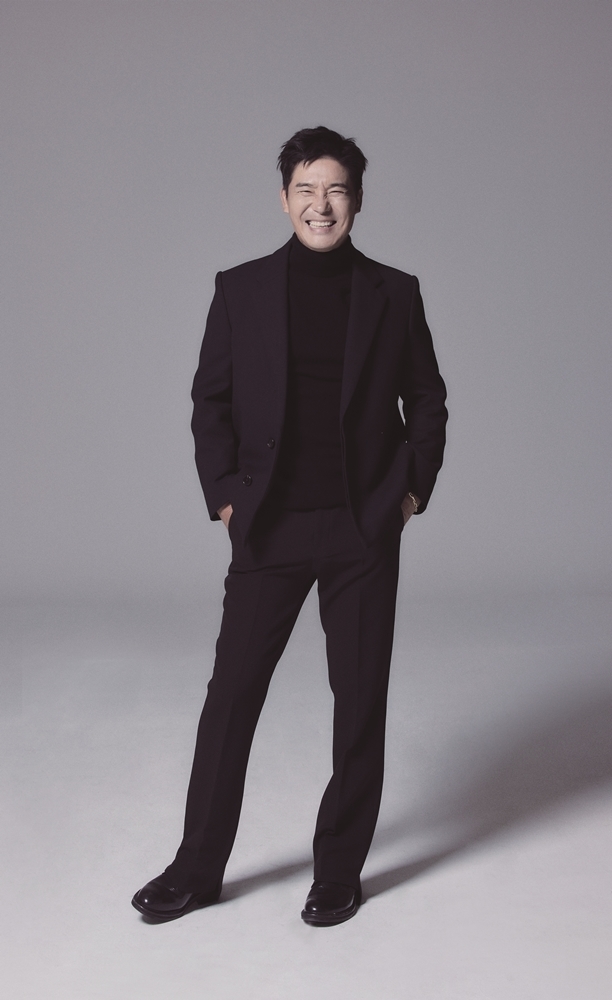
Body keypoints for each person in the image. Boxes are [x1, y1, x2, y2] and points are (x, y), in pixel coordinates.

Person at [132, 126, 447, 926]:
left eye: (336, 189)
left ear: (357, 200)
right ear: (284, 199)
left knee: (359, 703)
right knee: (231, 698)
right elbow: (210, 401)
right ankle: (196, 868)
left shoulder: (395, 292)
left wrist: (409, 494)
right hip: (269, 527)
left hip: (361, 530)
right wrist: (226, 498)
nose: (321, 205)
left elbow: (427, 400)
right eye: (306, 189)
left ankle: (338, 871)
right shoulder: (239, 288)